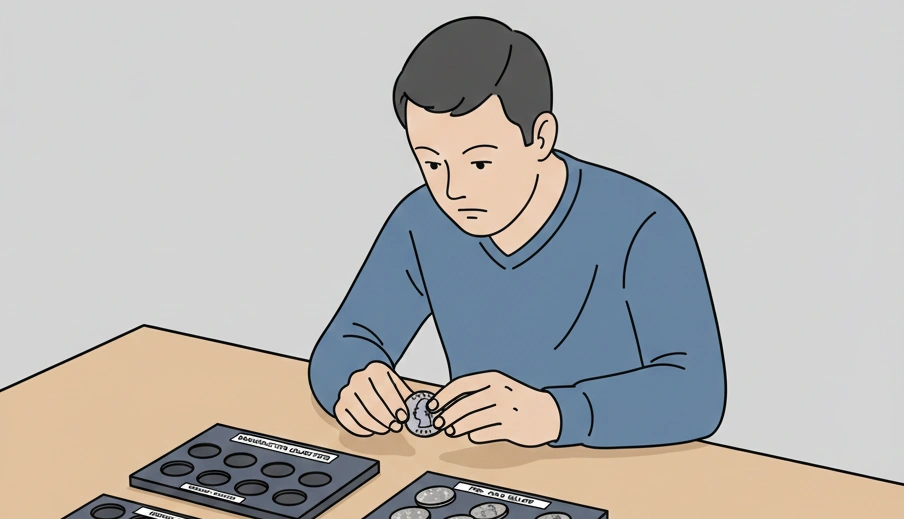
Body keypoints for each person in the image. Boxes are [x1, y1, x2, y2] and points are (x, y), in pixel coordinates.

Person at [308, 16, 727, 449]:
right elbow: (348, 339)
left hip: (626, 473)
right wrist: (355, 380)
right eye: (432, 163)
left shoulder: (645, 225)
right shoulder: (421, 221)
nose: (453, 190)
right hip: (482, 472)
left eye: (480, 163)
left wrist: (557, 415)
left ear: (541, 137)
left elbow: (697, 394)